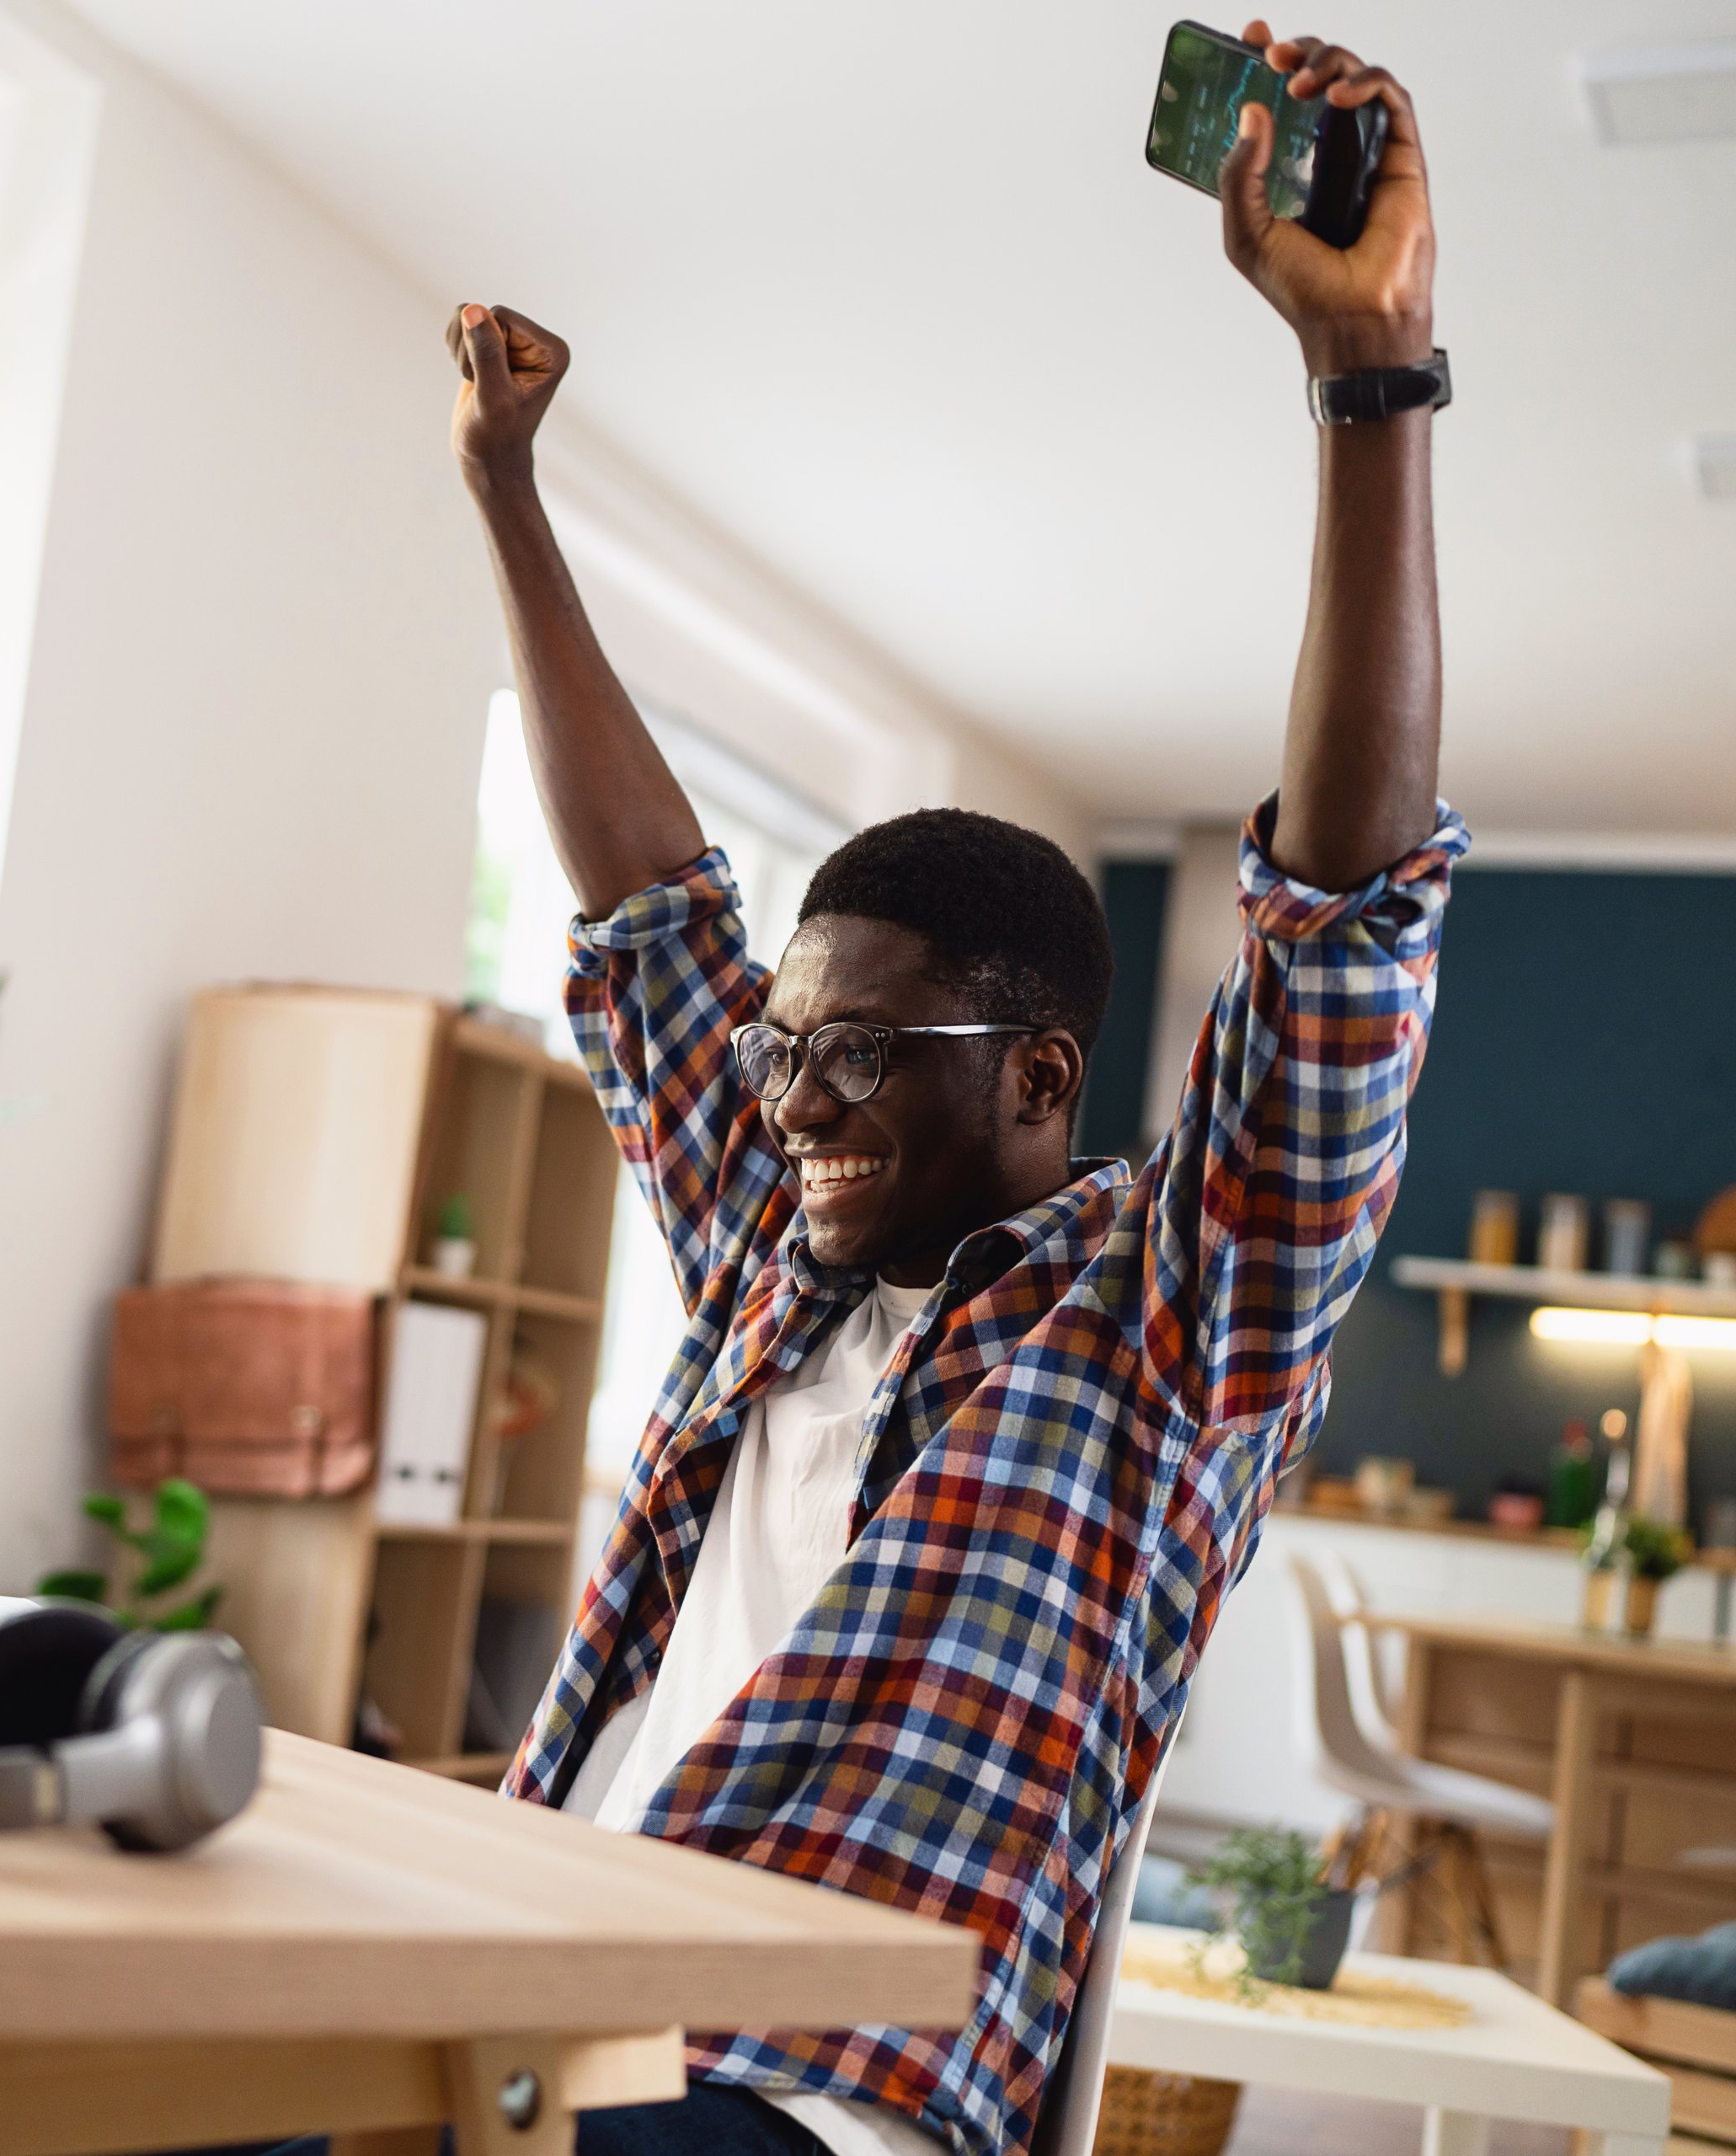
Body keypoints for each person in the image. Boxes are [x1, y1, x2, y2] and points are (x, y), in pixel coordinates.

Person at [427, 24, 1456, 2156]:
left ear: (1040, 1075)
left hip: (804, 2098)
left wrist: (1371, 390)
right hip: (520, 1987)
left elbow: (1342, 919)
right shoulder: (771, 1252)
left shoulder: (1171, 1326)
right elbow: (646, 905)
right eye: (783, 1048)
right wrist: (510, 497)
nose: (788, 1095)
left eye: (852, 1052)